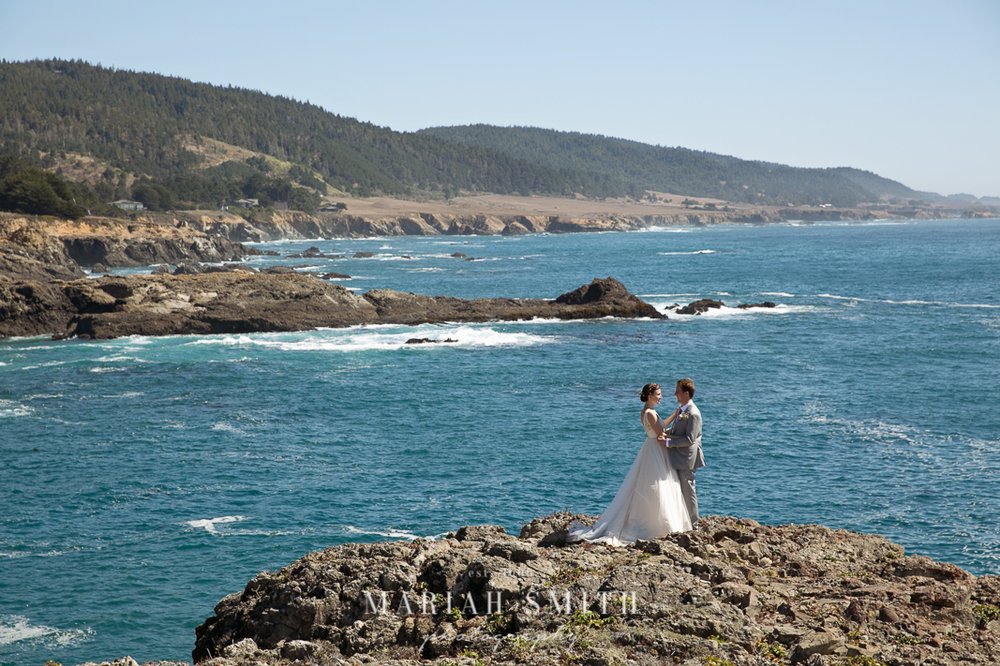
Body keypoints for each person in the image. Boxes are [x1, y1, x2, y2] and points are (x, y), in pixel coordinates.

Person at [567, 383, 692, 545]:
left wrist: (675, 415)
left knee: (655, 484)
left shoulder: (649, 412)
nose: (661, 396)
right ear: (650, 395)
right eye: (658, 394)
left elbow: (661, 428)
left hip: (654, 449)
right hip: (656, 449)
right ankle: (656, 524)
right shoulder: (650, 413)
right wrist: (682, 438)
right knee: (658, 484)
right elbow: (661, 434)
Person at [659, 378, 704, 524]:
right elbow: (677, 431)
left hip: (686, 459)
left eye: (677, 391)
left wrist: (667, 442)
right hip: (678, 457)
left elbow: (689, 439)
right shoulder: (682, 410)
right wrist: (663, 433)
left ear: (686, 393)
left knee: (688, 491)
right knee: (679, 491)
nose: (674, 394)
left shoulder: (693, 413)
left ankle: (693, 524)